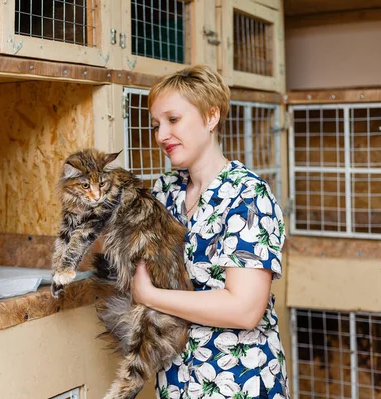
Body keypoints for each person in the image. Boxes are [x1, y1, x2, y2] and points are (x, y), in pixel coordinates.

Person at [131, 65, 289, 399]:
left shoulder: (247, 195)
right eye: (156, 125)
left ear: (211, 116)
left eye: (173, 120)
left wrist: (149, 296)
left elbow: (245, 309)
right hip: (177, 379)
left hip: (238, 379)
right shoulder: (165, 190)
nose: (161, 135)